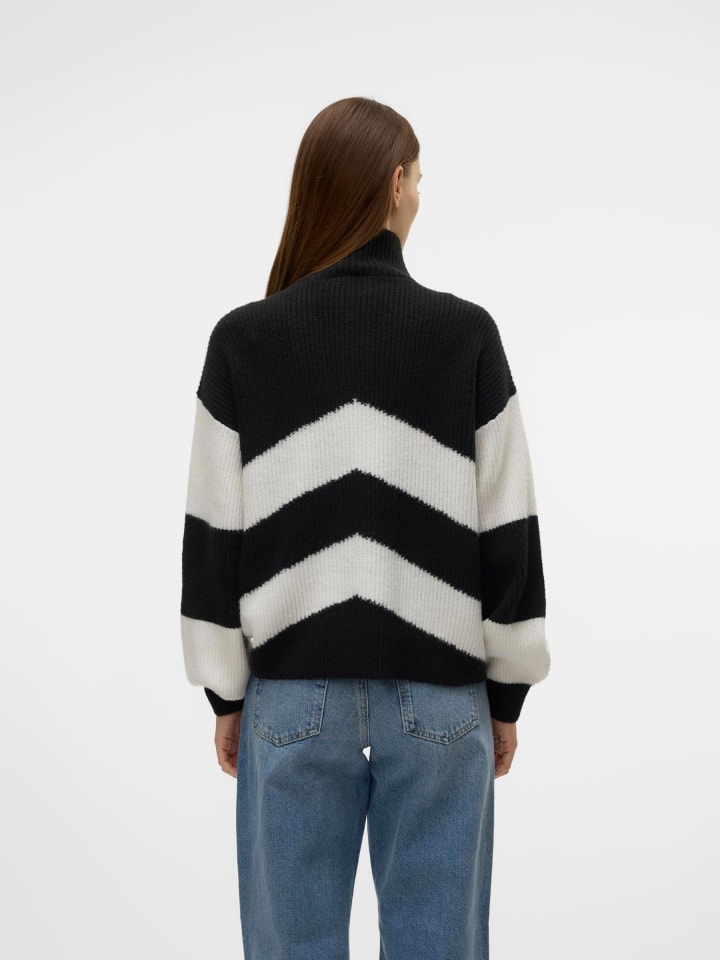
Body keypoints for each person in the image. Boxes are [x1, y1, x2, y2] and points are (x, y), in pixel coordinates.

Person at [180, 96, 550, 960]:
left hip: (290, 695)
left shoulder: (243, 342)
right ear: (393, 185)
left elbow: (212, 537)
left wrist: (226, 695)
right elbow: (511, 526)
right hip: (442, 696)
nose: (420, 195)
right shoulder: (466, 336)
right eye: (419, 178)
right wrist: (506, 695)